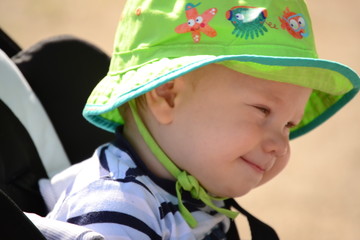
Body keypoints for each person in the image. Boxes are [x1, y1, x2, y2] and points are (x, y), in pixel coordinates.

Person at [46, 0, 360, 239]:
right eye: (263, 110)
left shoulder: (193, 194)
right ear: (167, 96)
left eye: (288, 125)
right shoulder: (115, 209)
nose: (280, 144)